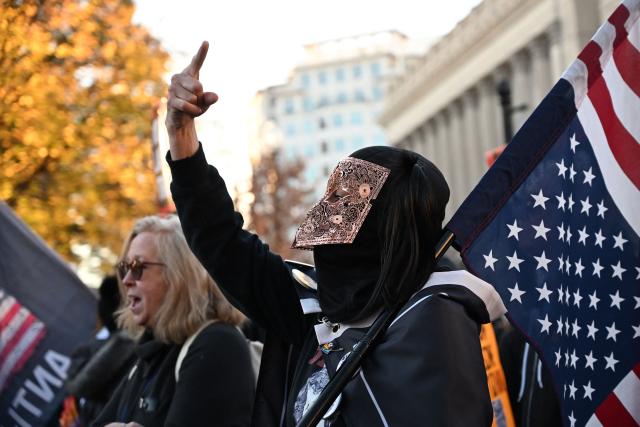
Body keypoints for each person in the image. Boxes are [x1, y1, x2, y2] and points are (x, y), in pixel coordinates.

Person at [165, 41, 507, 426]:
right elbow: (224, 245)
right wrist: (183, 143)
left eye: (345, 203)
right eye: (332, 197)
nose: (327, 217)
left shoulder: (433, 323)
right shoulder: (313, 304)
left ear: (383, 226)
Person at [92, 215, 254, 427]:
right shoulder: (150, 351)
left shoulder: (217, 343)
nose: (126, 280)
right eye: (124, 268)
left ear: (178, 274)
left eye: (137, 267)